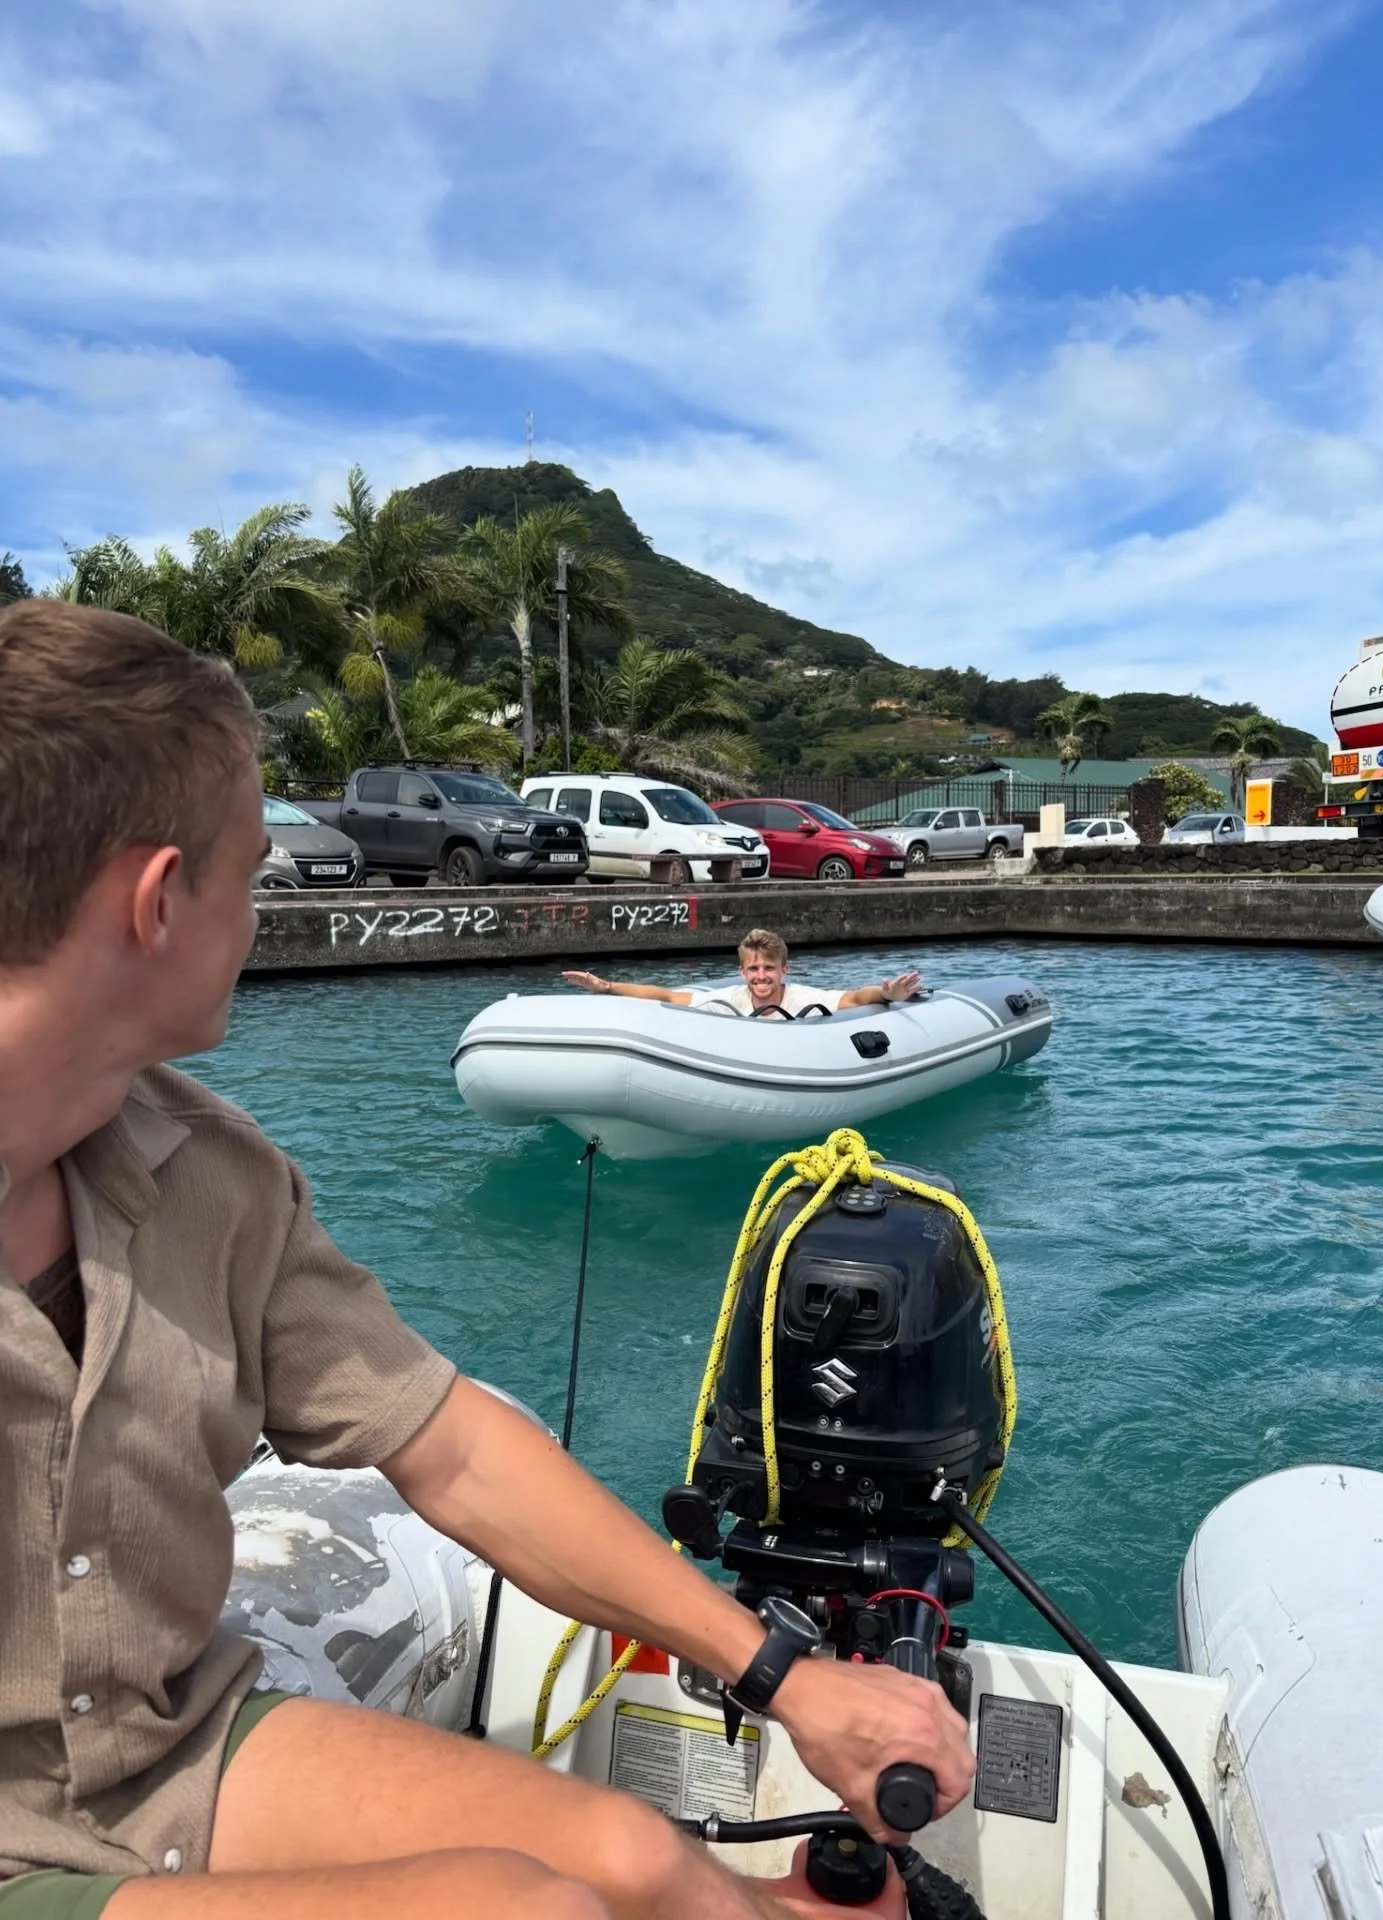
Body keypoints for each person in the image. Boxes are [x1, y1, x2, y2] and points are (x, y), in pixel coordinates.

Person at [0, 599, 973, 1920]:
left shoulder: (208, 1178)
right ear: (161, 902)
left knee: (648, 1868)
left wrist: (790, 1680)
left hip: (144, 1757)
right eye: (250, 875)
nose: (263, 902)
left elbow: (444, 1443)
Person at [562, 928, 921, 1018]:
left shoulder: (802, 998)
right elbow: (666, 996)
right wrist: (606, 987)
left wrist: (888, 994)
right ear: (742, 971)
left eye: (768, 968)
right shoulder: (729, 1001)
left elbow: (855, 998)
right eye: (754, 968)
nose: (761, 976)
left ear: (784, 969)